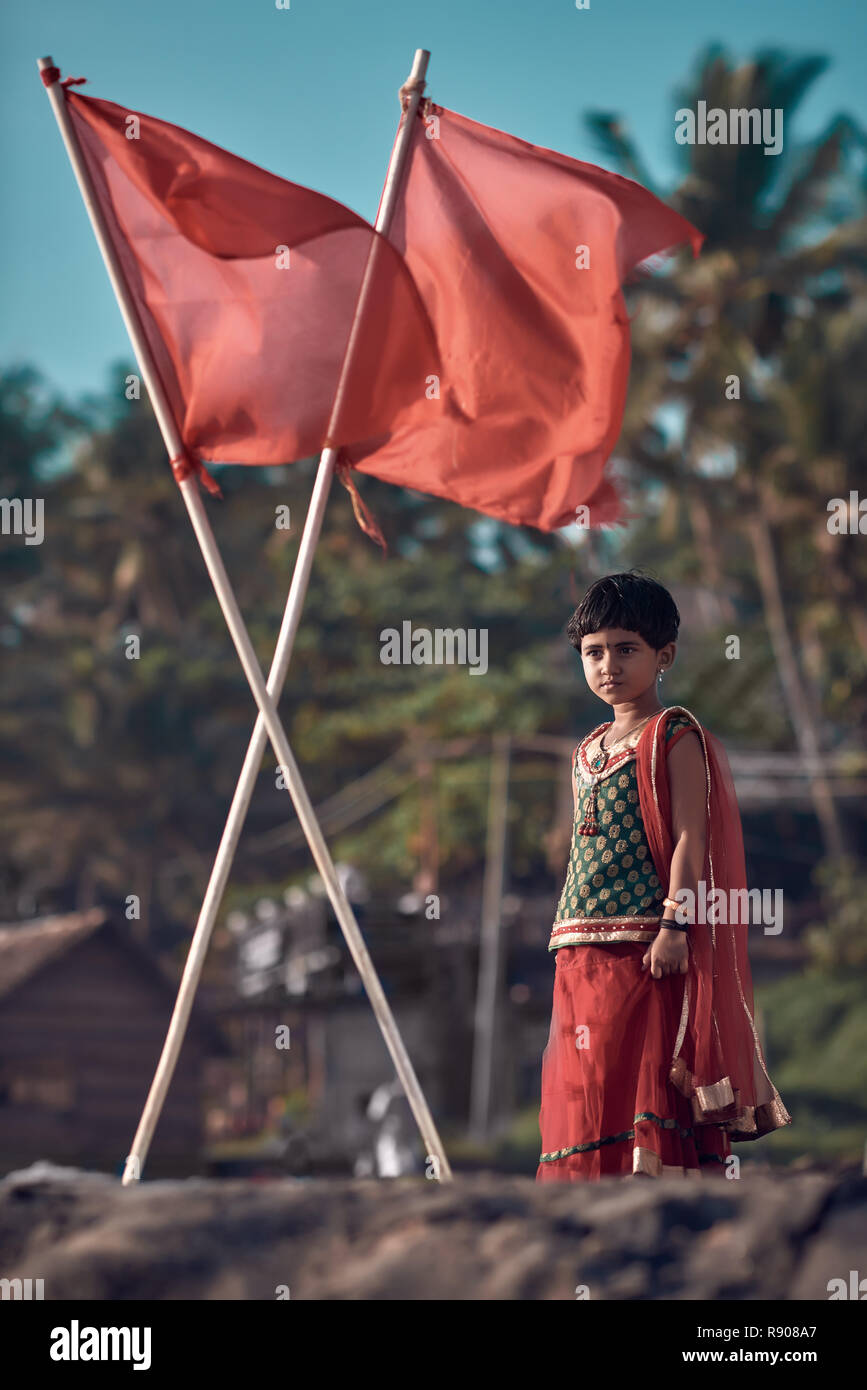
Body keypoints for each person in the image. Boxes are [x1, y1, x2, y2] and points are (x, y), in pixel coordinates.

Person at [536, 572, 791, 1181]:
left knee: (639, 1072)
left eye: (626, 649)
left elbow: (689, 839)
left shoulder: (671, 734)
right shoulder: (587, 749)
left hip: (645, 946)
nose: (608, 666)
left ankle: (652, 1201)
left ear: (663, 656)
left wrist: (676, 925)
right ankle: (584, 1209)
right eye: (594, 652)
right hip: (577, 942)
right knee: (587, 1081)